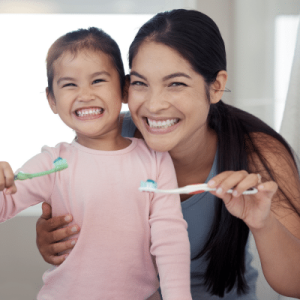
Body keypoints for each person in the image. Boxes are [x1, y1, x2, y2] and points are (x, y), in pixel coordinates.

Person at [36, 9, 300, 300]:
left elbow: (295, 284)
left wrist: (263, 224)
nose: (155, 104)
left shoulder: (260, 154)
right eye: (140, 83)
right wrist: (51, 237)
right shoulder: (109, 139)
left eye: (176, 83)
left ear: (216, 86)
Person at [0, 27, 192, 300]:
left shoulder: (155, 159)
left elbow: (169, 237)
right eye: (69, 84)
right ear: (51, 100)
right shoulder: (53, 163)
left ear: (124, 89)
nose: (85, 94)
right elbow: (3, 206)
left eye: (98, 81)